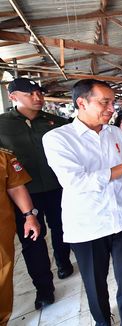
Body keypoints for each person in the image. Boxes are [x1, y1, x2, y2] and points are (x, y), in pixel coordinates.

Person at [43, 79, 122, 325]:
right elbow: (76, 182)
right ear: (81, 102)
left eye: (113, 103)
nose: (111, 109)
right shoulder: (58, 139)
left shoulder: (115, 133)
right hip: (89, 226)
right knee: (95, 286)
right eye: (105, 102)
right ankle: (103, 322)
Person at [0, 77, 73, 310]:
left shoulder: (57, 122)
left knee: (62, 227)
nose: (37, 97)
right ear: (13, 97)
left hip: (57, 188)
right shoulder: (2, 125)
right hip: (22, 194)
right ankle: (44, 288)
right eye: (30, 93)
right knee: (33, 240)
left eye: (39, 93)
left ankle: (63, 262)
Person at [0, 147, 41, 324]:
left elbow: (16, 187)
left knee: (2, 275)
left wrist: (29, 216)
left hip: (1, 231)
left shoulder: (3, 157)